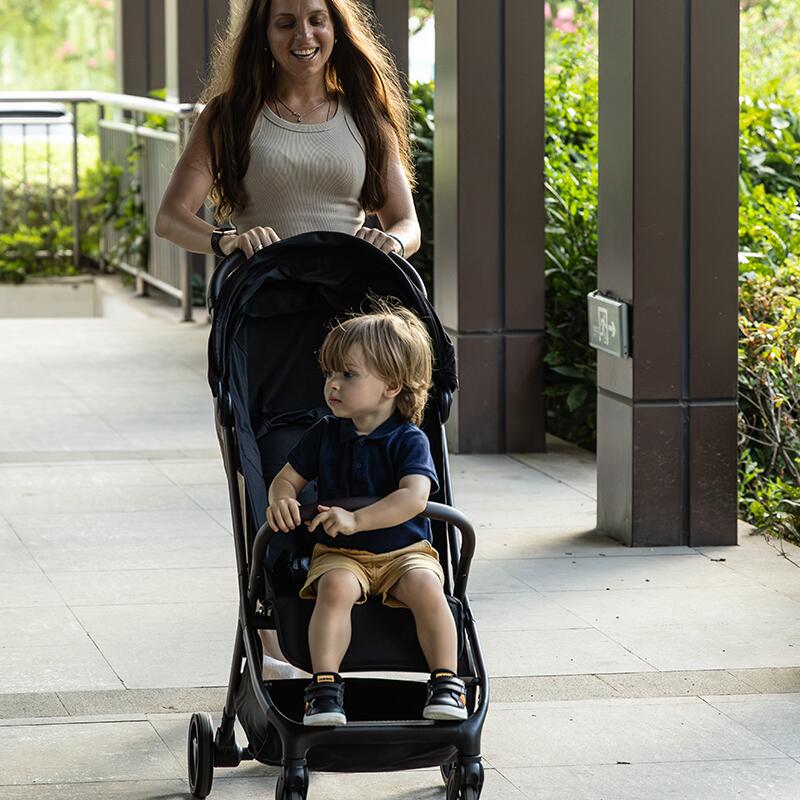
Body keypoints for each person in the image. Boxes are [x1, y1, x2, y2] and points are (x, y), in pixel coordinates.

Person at [154, 0, 421, 677]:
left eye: (316, 19)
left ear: (336, 28)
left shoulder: (366, 113)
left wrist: (390, 242)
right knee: (268, 465)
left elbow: (406, 222)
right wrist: (225, 239)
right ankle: (275, 644)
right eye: (285, 22)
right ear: (263, 35)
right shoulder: (231, 117)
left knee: (372, 452)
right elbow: (172, 217)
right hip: (265, 316)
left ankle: (393, 609)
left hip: (353, 320)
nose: (303, 35)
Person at [266, 305, 468, 726]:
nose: (332, 384)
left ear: (391, 385)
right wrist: (282, 499)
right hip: (341, 553)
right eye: (329, 374)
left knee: (427, 588)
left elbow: (414, 497)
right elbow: (286, 479)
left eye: (348, 374)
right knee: (334, 588)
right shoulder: (324, 433)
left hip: (405, 550)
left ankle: (446, 681)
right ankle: (324, 687)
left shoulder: (409, 439)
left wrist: (357, 519)